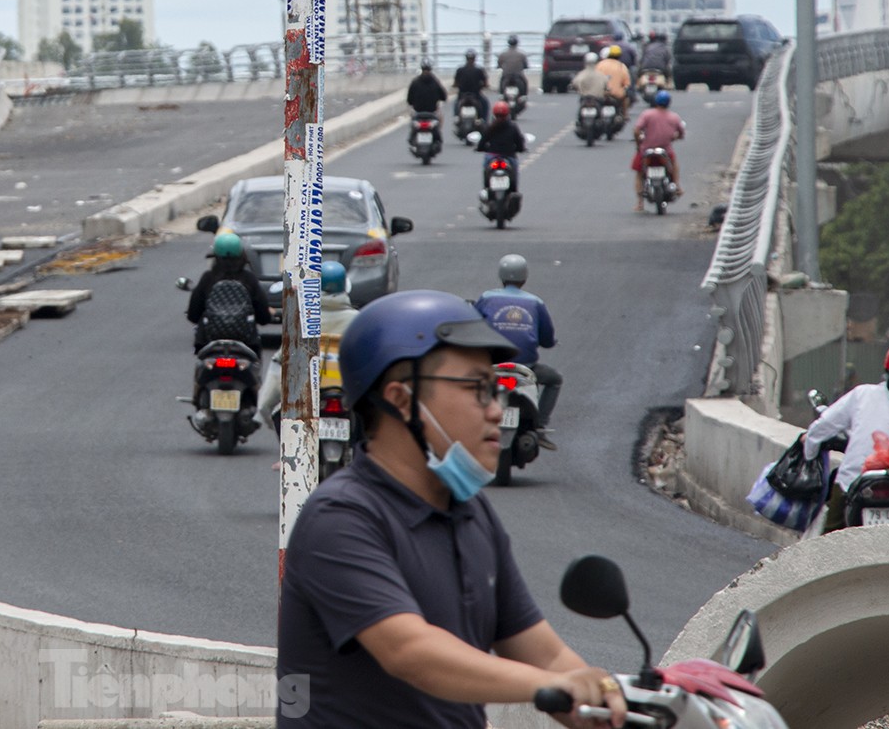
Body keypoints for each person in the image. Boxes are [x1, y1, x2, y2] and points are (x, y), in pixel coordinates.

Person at [278, 291, 628, 729]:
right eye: (477, 389)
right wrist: (545, 688)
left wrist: (602, 695)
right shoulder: (342, 516)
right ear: (401, 400)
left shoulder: (471, 512)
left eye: (497, 390)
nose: (497, 411)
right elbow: (411, 651)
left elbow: (545, 652)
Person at [803, 342, 889, 533]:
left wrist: (809, 453)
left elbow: (822, 426)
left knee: (831, 533)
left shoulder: (861, 394)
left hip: (853, 479)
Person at [472, 254, 561, 447]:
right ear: (525, 277)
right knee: (554, 380)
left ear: (501, 276)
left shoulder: (487, 298)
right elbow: (546, 340)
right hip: (525, 367)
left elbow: (473, 328)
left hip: (492, 366)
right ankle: (540, 426)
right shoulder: (536, 302)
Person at [259, 260, 359, 430]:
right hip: (347, 394)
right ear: (344, 287)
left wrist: (266, 407)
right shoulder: (358, 321)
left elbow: (281, 361)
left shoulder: (302, 319)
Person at [186, 231, 270, 356]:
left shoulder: (208, 278)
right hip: (247, 343)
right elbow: (263, 317)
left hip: (209, 342)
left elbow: (193, 314)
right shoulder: (249, 279)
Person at [630, 90, 686, 210]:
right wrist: (675, 137)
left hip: (646, 150)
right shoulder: (674, 117)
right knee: (674, 166)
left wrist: (638, 142)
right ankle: (677, 186)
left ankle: (640, 203)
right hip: (665, 151)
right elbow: (681, 132)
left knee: (639, 173)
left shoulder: (647, 114)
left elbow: (636, 130)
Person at [452, 50, 490, 126]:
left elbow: (455, 83)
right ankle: (484, 121)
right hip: (476, 95)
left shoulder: (460, 70)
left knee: (456, 103)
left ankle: (456, 117)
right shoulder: (479, 70)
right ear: (474, 59)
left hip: (462, 95)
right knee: (485, 103)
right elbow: (485, 83)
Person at [594, 45, 632, 114]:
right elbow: (627, 83)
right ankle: (625, 114)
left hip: (601, 93)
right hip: (617, 95)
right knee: (626, 98)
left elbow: (595, 79)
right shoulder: (621, 66)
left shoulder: (600, 65)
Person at [496, 36, 530, 102]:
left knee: (501, 81)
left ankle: (501, 94)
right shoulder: (521, 54)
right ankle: (524, 95)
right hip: (518, 76)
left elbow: (499, 65)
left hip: (506, 75)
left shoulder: (503, 54)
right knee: (525, 82)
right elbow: (525, 65)